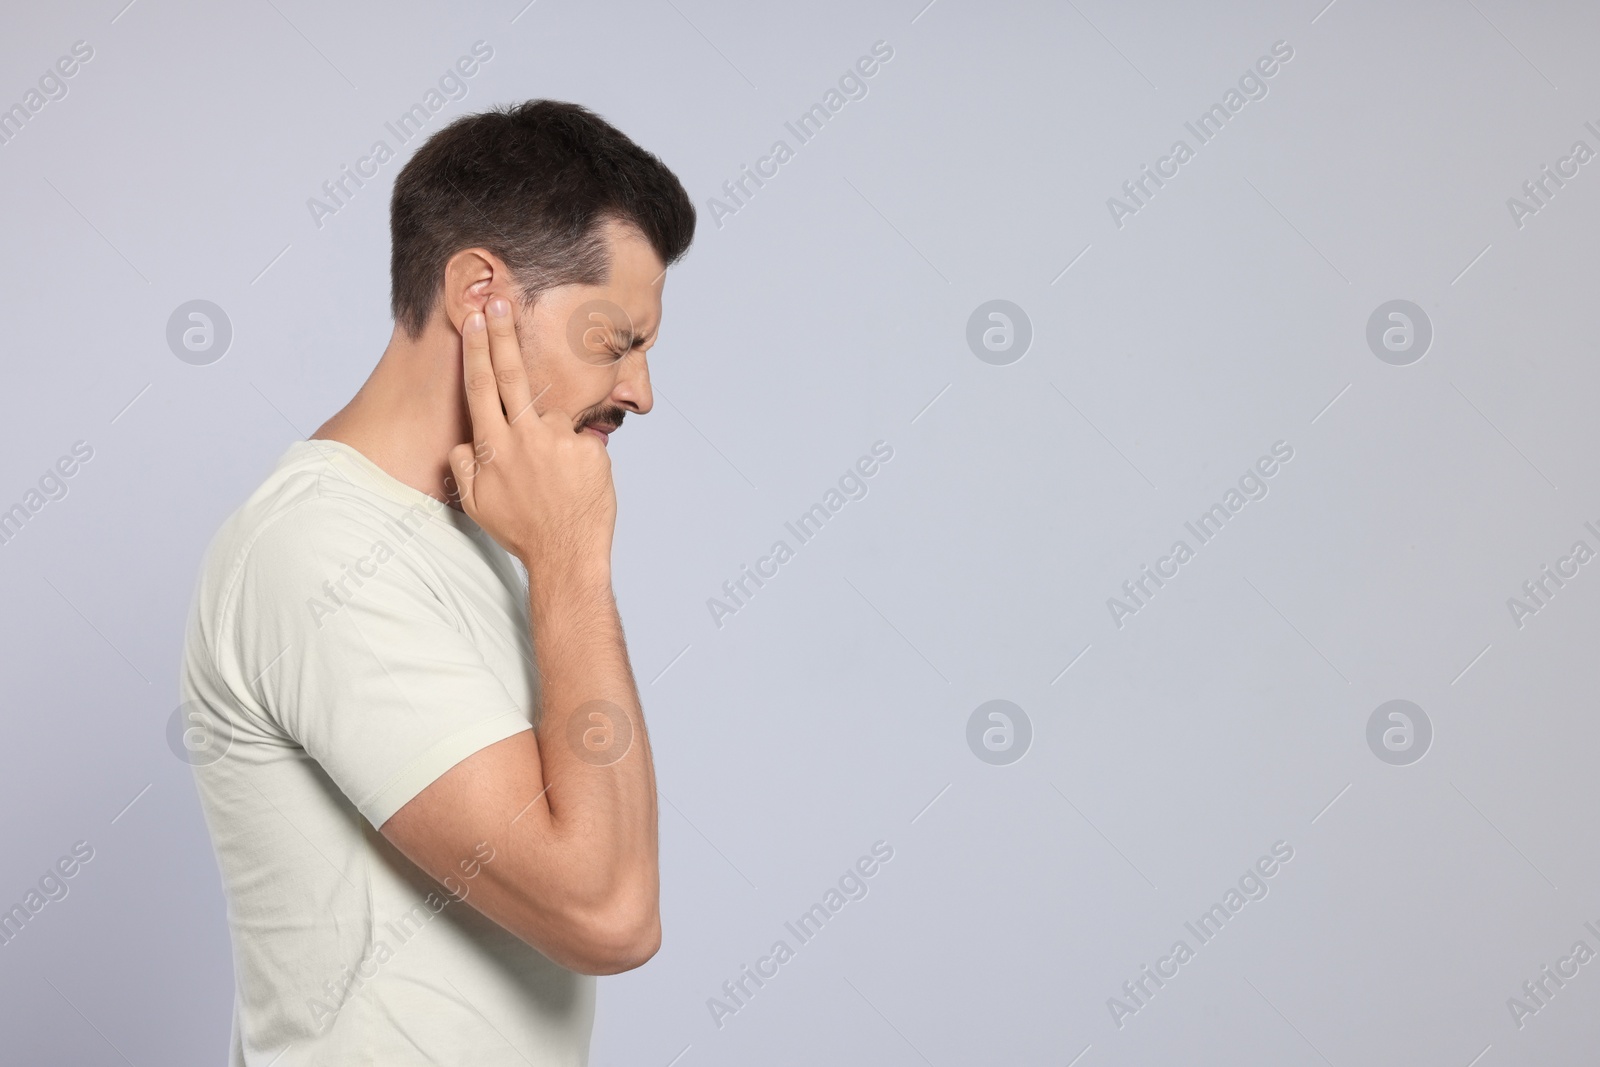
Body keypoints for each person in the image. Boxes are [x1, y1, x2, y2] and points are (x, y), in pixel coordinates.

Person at [178, 99, 696, 1065]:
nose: (640, 390)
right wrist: (574, 557)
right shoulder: (319, 551)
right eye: (617, 341)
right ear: (479, 292)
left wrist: (553, 555)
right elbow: (611, 911)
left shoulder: (487, 543)